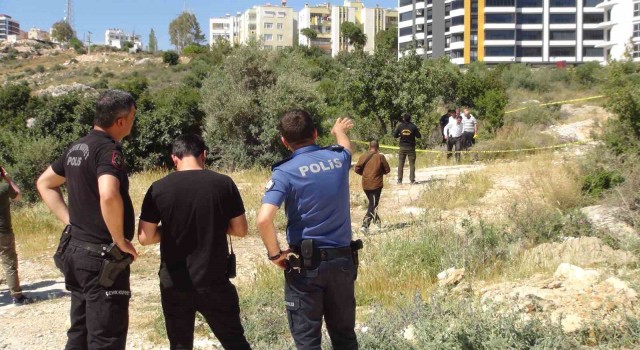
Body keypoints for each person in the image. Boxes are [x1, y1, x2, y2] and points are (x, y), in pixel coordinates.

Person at [37, 90, 138, 350]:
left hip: (76, 251)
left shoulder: (77, 146)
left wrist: (72, 221)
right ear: (120, 121)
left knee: (80, 332)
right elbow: (108, 194)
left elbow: (45, 183)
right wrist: (119, 239)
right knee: (106, 337)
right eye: (132, 117)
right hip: (100, 258)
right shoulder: (108, 149)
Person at [256, 110, 359, 350]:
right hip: (342, 262)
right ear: (315, 133)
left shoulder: (284, 172)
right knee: (345, 338)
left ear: (284, 141)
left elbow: (263, 220)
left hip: (305, 266)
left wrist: (275, 254)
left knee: (307, 342)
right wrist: (339, 132)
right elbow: (346, 147)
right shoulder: (338, 159)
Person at [138, 134, 251, 350]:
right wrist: (215, 225)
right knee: (235, 342)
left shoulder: (158, 188)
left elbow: (145, 237)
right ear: (204, 155)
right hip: (214, 280)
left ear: (174, 158)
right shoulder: (223, 183)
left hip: (175, 282)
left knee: (180, 345)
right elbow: (240, 230)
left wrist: (170, 230)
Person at [0, 166, 30, 305]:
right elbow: (18, 195)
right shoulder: (4, 188)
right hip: (3, 231)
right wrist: (8, 178)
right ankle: (17, 297)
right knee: (9, 263)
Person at [354, 140, 390, 234]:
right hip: (376, 184)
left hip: (365, 184)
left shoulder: (363, 156)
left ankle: (377, 222)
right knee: (373, 205)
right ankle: (365, 226)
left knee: (372, 204)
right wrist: (379, 173)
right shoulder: (380, 157)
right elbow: (387, 170)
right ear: (378, 147)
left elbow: (357, 169)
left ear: (369, 147)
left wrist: (365, 174)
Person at [393, 112, 421, 184]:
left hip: (402, 147)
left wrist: (400, 134)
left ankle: (399, 180)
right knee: (412, 164)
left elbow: (395, 135)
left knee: (400, 164)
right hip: (411, 147)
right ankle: (412, 180)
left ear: (403, 118)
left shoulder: (400, 126)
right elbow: (419, 136)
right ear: (410, 118)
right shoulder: (413, 127)